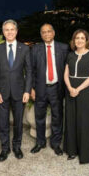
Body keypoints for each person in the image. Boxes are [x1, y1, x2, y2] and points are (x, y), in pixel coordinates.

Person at [0, 19, 32, 162]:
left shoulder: (25, 49)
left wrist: (27, 91)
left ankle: (16, 147)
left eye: (12, 29)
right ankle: (5, 148)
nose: (9, 32)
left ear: (16, 31)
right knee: (2, 122)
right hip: (1, 93)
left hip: (19, 92)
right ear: (3, 32)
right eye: (6, 30)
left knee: (18, 122)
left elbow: (29, 72)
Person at [30, 23, 69, 156]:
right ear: (41, 35)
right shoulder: (35, 49)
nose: (46, 34)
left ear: (53, 33)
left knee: (57, 116)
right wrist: (31, 88)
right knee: (39, 117)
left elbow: (67, 69)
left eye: (49, 31)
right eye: (43, 32)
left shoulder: (63, 48)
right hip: (40, 89)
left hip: (56, 88)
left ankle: (56, 143)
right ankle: (40, 142)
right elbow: (31, 71)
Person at [63, 29, 89, 164]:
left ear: (86, 40)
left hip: (85, 90)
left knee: (84, 122)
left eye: (82, 38)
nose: (79, 40)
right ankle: (71, 151)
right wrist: (71, 88)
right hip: (70, 89)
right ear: (73, 40)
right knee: (71, 120)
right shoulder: (70, 55)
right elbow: (66, 74)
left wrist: (78, 89)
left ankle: (85, 154)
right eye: (77, 38)